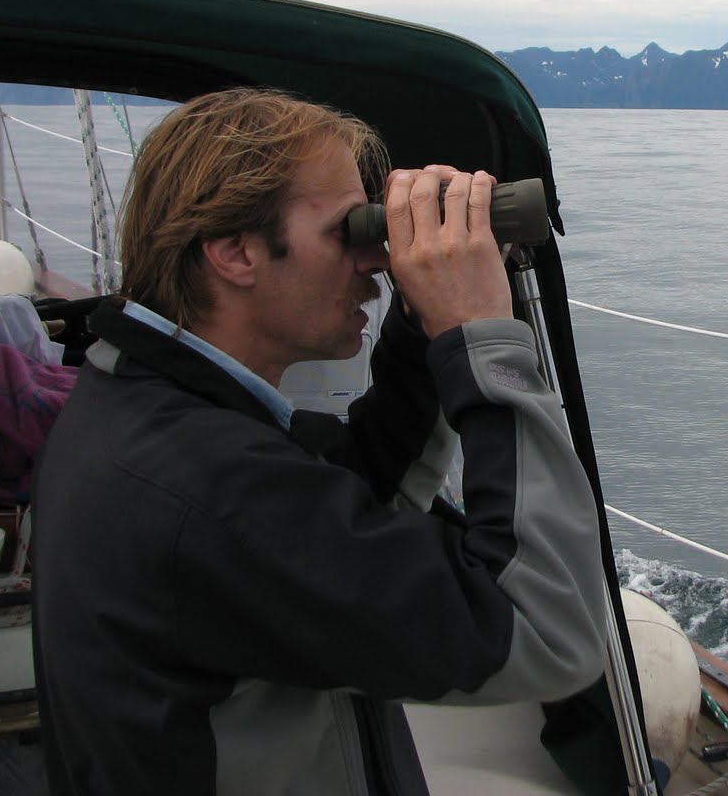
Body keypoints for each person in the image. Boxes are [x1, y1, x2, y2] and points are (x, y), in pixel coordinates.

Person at [30, 88, 609, 795]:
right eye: (348, 230)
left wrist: (421, 319)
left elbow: (352, 501)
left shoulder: (142, 405)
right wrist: (478, 336)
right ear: (236, 251)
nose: (372, 259)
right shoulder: (207, 489)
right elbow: (546, 628)